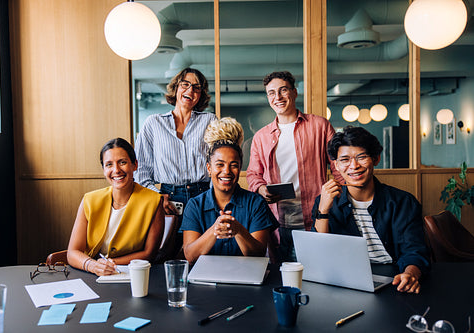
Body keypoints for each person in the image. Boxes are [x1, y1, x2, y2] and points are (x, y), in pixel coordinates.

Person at [312, 126, 430, 293]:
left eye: (361, 157)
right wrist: (323, 210)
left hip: (394, 278)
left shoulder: (403, 202)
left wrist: (409, 275)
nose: (354, 166)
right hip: (345, 281)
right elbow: (319, 254)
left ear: (376, 159)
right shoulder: (326, 201)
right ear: (336, 165)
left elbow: (414, 251)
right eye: (345, 160)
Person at [246, 71, 342, 262]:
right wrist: (261, 188)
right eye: (271, 93)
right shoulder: (261, 137)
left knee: (317, 276)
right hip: (277, 224)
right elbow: (253, 174)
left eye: (283, 90)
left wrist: (342, 205)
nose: (277, 97)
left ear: (295, 92)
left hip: (316, 219)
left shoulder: (320, 126)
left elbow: (339, 168)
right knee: (280, 278)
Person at [134, 68, 217, 256]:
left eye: (197, 88)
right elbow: (141, 173)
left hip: (202, 196)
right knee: (164, 256)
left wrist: (212, 198)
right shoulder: (153, 123)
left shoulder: (210, 121)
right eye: (185, 84)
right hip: (167, 200)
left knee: (201, 256)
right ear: (176, 88)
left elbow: (217, 164)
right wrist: (157, 197)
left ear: (201, 95)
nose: (190, 91)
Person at [181, 118, 277, 263]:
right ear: (209, 168)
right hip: (205, 279)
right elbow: (190, 256)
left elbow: (258, 254)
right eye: (220, 164)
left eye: (233, 165)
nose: (226, 171)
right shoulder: (194, 205)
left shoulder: (256, 203)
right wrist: (215, 230)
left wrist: (238, 230)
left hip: (246, 278)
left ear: (240, 168)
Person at [67, 138, 165, 276]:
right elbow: (72, 252)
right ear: (103, 170)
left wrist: (109, 264)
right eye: (109, 165)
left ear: (135, 165)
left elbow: (149, 253)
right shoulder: (89, 200)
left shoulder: (153, 201)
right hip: (91, 273)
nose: (116, 170)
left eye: (122, 162)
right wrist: (93, 266)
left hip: (132, 274)